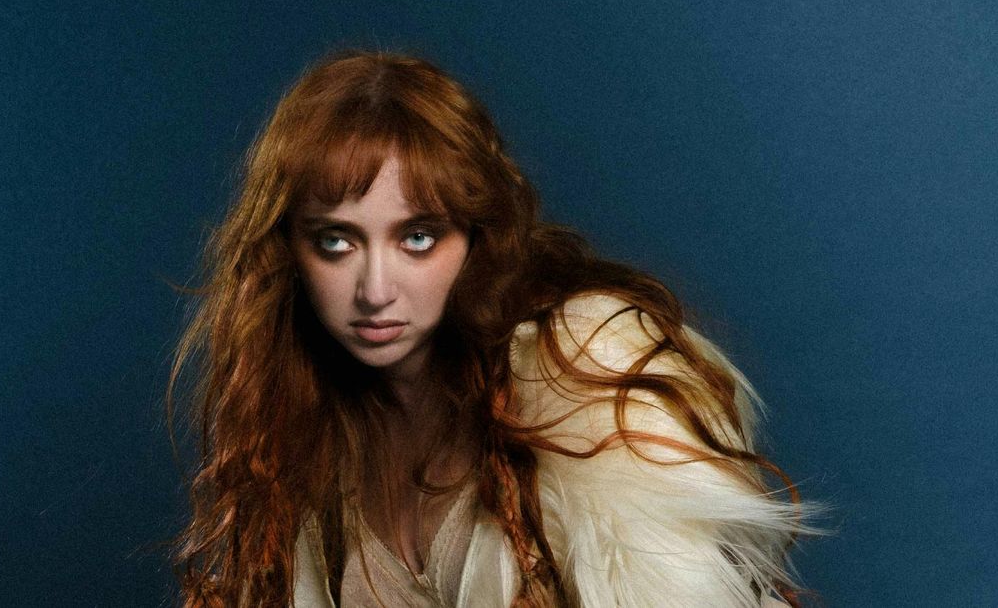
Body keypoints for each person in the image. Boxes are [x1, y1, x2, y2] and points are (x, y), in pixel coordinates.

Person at [169, 51, 818, 607]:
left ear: (476, 236)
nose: (375, 290)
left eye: (418, 237)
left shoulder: (586, 383)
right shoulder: (303, 448)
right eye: (336, 241)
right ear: (288, 250)